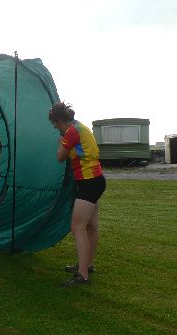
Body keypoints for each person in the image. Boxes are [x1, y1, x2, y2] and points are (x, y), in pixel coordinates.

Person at [49, 103, 106, 287]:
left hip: (89, 182)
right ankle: (87, 266)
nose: (54, 127)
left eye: (54, 124)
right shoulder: (79, 126)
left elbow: (59, 157)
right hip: (96, 180)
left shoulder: (71, 132)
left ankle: (82, 275)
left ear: (59, 120)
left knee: (77, 227)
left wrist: (61, 141)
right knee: (91, 226)